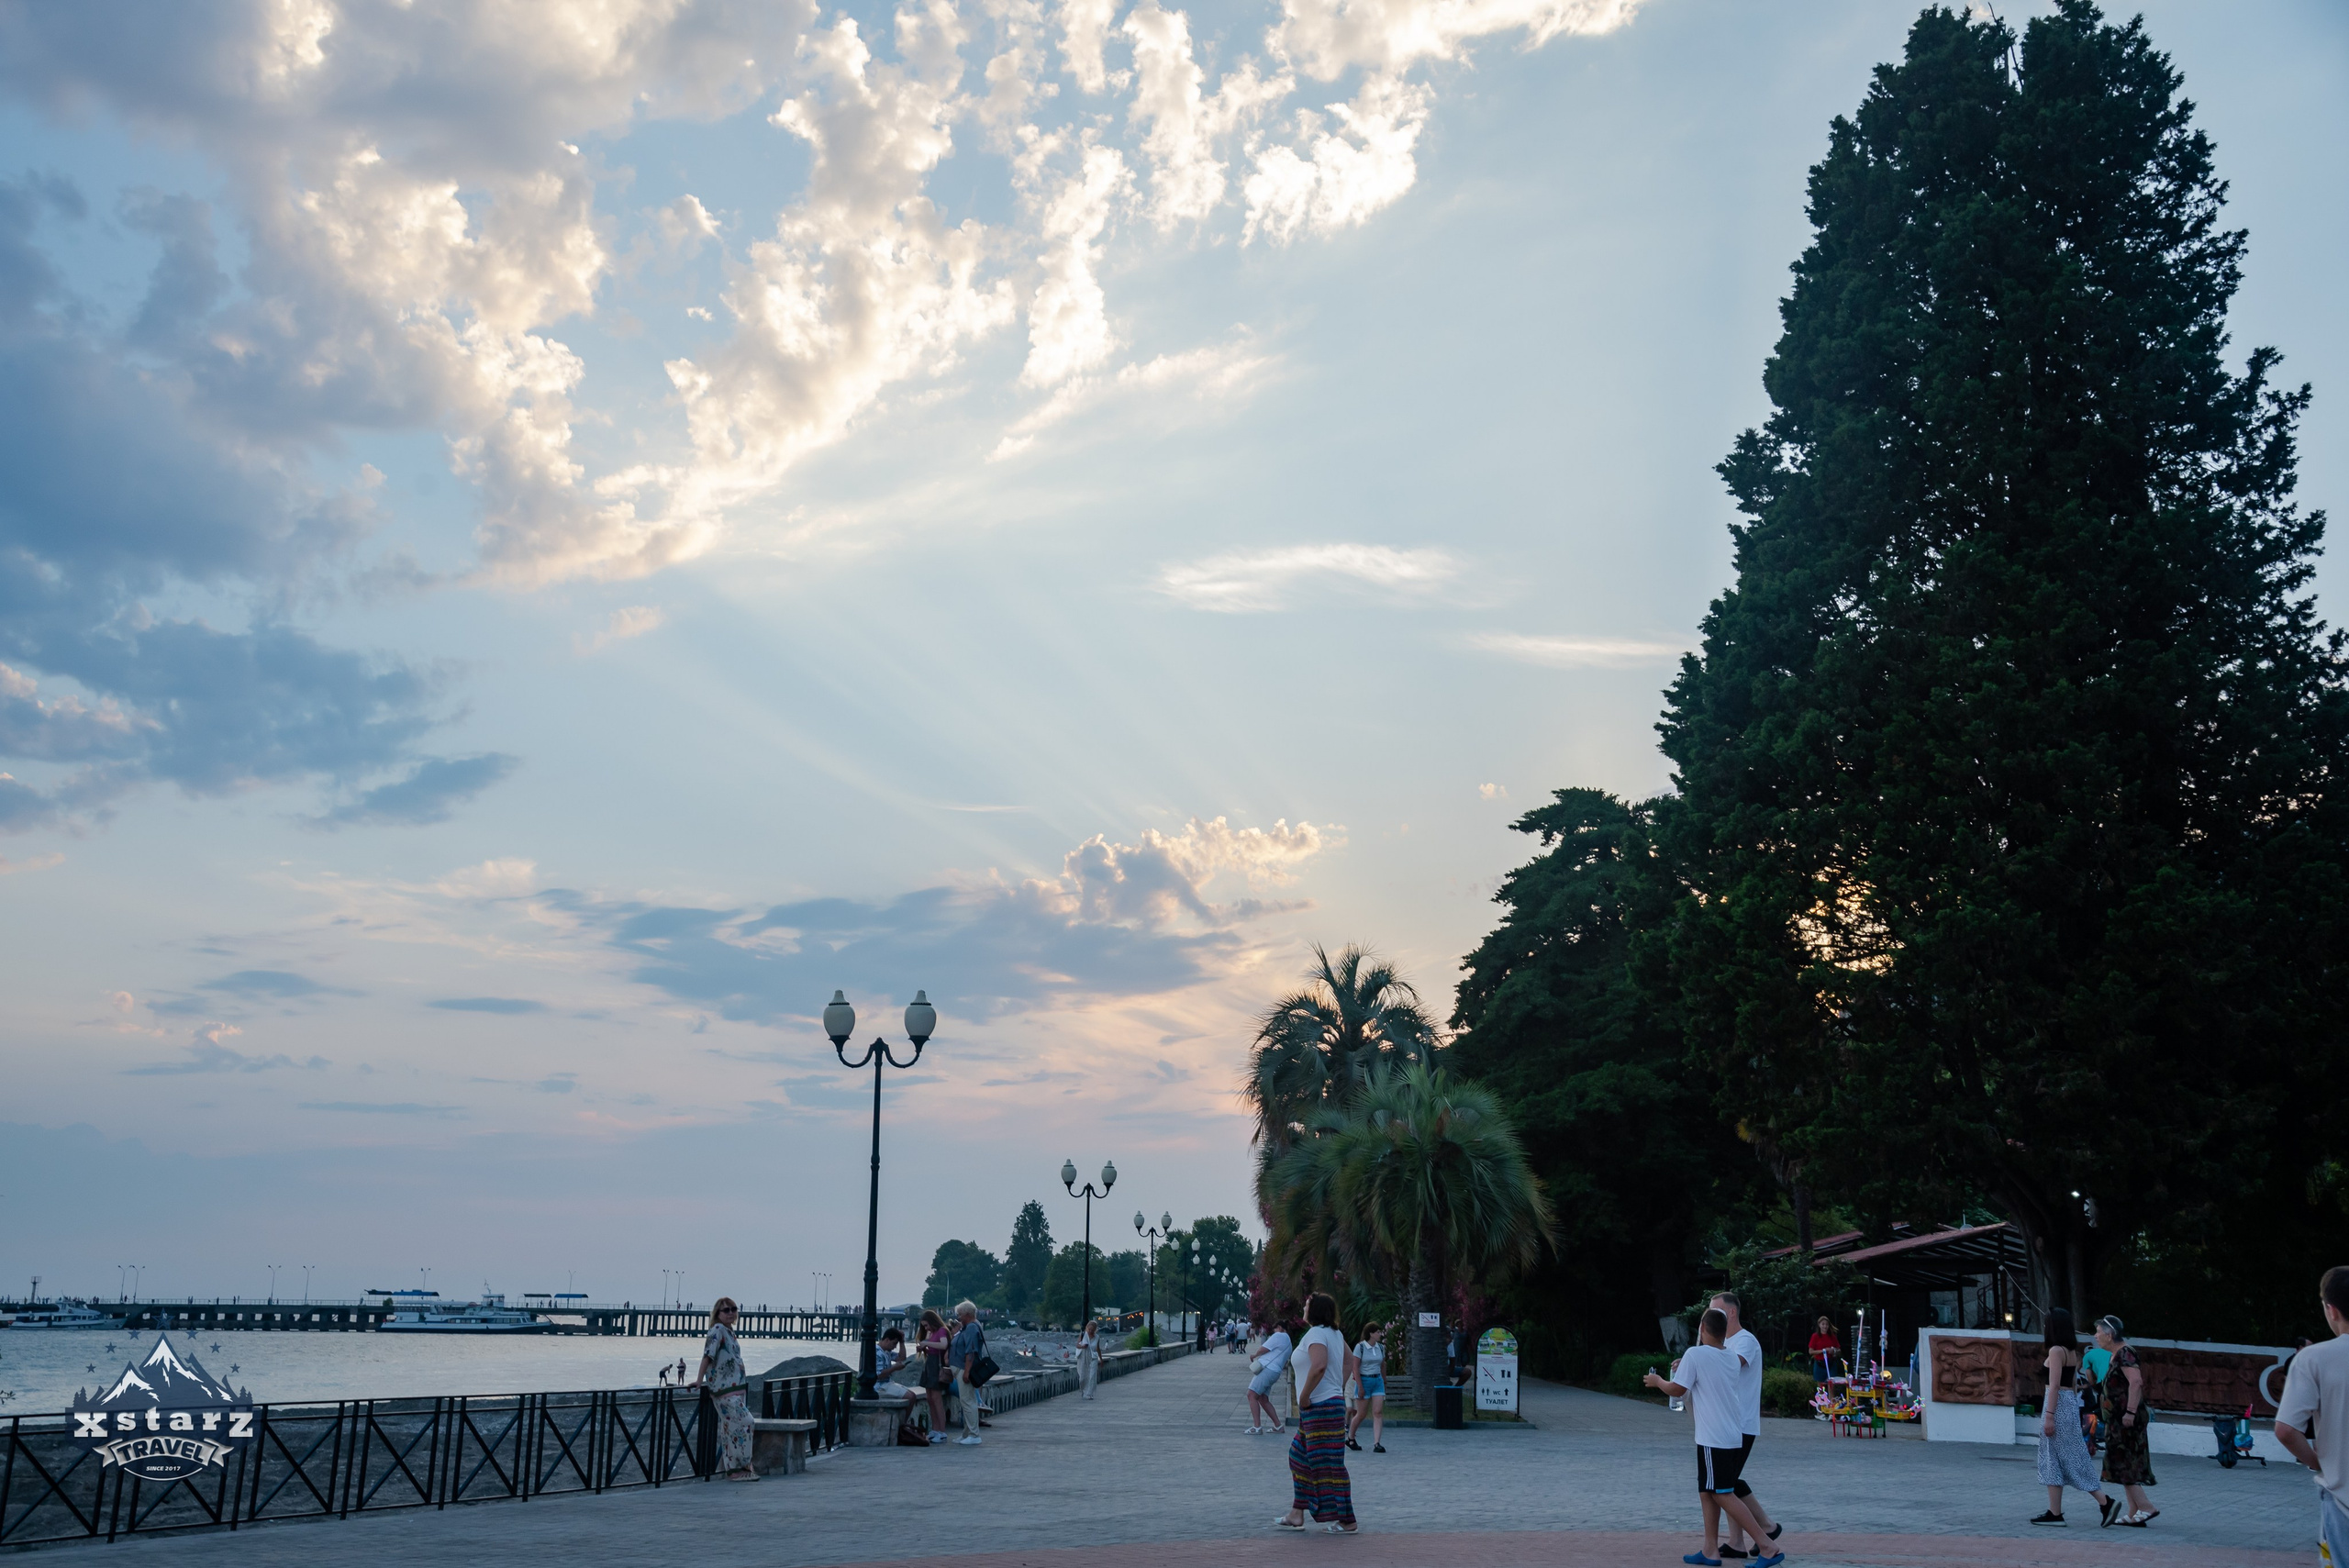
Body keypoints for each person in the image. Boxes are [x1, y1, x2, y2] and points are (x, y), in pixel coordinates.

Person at [1645, 1309, 1783, 1568]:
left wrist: (1658, 1381)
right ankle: (1710, 1550)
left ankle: (1767, 1545)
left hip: (1713, 1438)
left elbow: (1678, 1389)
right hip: (1730, 1435)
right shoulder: (1729, 1356)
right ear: (1724, 1332)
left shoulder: (1695, 1354)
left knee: (1722, 1494)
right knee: (1707, 1491)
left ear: (1702, 1329)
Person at [2276, 1265, 2349, 1567]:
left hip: (2342, 1500)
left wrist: (2317, 1461)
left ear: (2331, 1310)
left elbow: (2286, 1430)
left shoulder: (2313, 1359)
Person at [1274, 1292, 1358, 1535]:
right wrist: (1337, 1387)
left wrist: (1304, 1396)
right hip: (1323, 1407)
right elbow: (1349, 1361)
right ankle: (1297, 1513)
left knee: (1330, 1465)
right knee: (1298, 1456)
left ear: (1315, 1310)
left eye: (1307, 1305)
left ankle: (1347, 1520)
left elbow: (1319, 1365)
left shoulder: (1316, 1334)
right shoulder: (1334, 1334)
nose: (1304, 1308)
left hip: (1319, 1408)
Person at [1709, 1292, 1782, 1561]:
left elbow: (1730, 1366)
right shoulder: (1724, 1343)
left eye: (1715, 1311)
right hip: (1728, 1422)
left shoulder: (1745, 1341)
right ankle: (1738, 1542)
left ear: (1731, 1313)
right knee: (1727, 1482)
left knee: (1725, 1484)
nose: (1711, 1317)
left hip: (1741, 1424)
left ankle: (1766, 1526)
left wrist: (1700, 1360)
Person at [2029, 1308, 2118, 1527]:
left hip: (2057, 1405)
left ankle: (2104, 1502)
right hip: (2067, 1404)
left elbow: (2055, 1386)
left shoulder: (2055, 1351)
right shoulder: (2071, 1352)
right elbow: (2074, 1385)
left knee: (2058, 1457)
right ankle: (2055, 1512)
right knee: (2062, 1457)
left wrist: (2049, 1416)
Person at [2094, 1316, 2158, 1525]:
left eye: (2098, 1332)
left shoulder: (2125, 1353)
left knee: (2122, 1463)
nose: (2095, 1336)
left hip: (2126, 1419)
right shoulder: (2117, 1355)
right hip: (2118, 1419)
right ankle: (2134, 1511)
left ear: (2110, 1335)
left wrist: (2130, 1412)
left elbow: (2136, 1381)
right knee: (2124, 1462)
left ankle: (2146, 1507)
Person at [688, 1297, 757, 1482]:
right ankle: (742, 1467)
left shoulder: (729, 1331)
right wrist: (699, 1380)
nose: (731, 1313)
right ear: (717, 1314)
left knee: (730, 1429)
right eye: (726, 1310)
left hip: (736, 1388)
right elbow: (707, 1356)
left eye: (733, 1309)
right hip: (723, 1389)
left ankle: (733, 1470)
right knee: (747, 1422)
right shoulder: (717, 1330)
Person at [1346, 1321, 1389, 1453]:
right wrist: (1360, 1386)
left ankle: (1377, 1443)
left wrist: (1384, 1379)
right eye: (1378, 1332)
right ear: (1371, 1334)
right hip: (1364, 1380)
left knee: (1378, 1412)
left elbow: (1382, 1364)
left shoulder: (1380, 1347)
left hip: (1377, 1381)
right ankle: (1350, 1437)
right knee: (1361, 1414)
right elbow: (1355, 1368)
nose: (1380, 1334)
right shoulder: (1360, 1347)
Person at [951, 1300, 987, 1445]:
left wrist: (966, 1371)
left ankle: (974, 1434)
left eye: (959, 1315)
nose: (958, 1318)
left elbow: (971, 1351)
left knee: (968, 1402)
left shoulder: (972, 1327)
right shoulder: (968, 1327)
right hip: (960, 1369)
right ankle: (967, 1434)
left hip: (964, 1369)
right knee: (966, 1401)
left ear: (967, 1314)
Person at [1248, 1320, 1294, 1435]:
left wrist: (1254, 1355)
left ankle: (1257, 1427)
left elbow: (1264, 1348)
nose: (1274, 1331)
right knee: (1262, 1398)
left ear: (1279, 1327)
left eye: (1275, 1329)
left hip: (1268, 1369)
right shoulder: (1289, 1342)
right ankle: (1278, 1426)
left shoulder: (1279, 1335)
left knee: (1251, 1394)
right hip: (1275, 1372)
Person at [916, 1309, 952, 1443]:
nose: (926, 1328)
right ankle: (935, 1429)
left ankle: (942, 1431)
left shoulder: (942, 1330)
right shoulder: (932, 1333)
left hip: (936, 1367)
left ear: (932, 1322)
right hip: (930, 1366)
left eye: (926, 1325)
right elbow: (935, 1348)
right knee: (930, 1399)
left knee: (936, 1399)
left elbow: (944, 1345)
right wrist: (924, 1348)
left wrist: (926, 1343)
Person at [1807, 1317, 1841, 1384]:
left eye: (1827, 1324)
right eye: (1823, 1324)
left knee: (1831, 1385)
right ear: (1819, 1325)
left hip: (1831, 1364)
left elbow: (1839, 1350)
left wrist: (1834, 1351)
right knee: (1821, 1387)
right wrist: (1823, 1350)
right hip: (1820, 1364)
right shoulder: (1815, 1336)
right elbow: (1811, 1351)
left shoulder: (1832, 1336)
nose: (1825, 1326)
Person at [1076, 1318, 1103, 1399]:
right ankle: (1084, 1391)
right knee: (1083, 1377)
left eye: (1092, 1330)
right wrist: (1082, 1346)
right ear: (1087, 1328)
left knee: (1092, 1376)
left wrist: (1101, 1359)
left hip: (1093, 1358)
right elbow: (1077, 1345)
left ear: (1095, 1330)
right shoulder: (1083, 1335)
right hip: (1083, 1358)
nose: (1090, 1331)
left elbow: (1098, 1348)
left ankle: (1089, 1393)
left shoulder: (1097, 1337)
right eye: (1089, 1329)